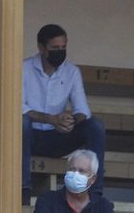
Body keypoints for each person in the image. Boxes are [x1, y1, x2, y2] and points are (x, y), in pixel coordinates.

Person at [23, 24, 106, 202]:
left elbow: (83, 110)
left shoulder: (72, 71)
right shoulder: (24, 68)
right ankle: (23, 188)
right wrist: (50, 119)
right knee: (21, 122)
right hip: (29, 136)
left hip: (58, 136)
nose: (60, 52)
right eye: (55, 48)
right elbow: (17, 107)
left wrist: (71, 121)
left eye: (63, 47)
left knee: (95, 126)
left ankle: (95, 192)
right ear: (41, 48)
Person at [31, 150, 113, 213]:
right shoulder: (48, 201)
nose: (75, 174)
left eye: (81, 171)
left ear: (93, 179)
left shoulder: (103, 207)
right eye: (72, 169)